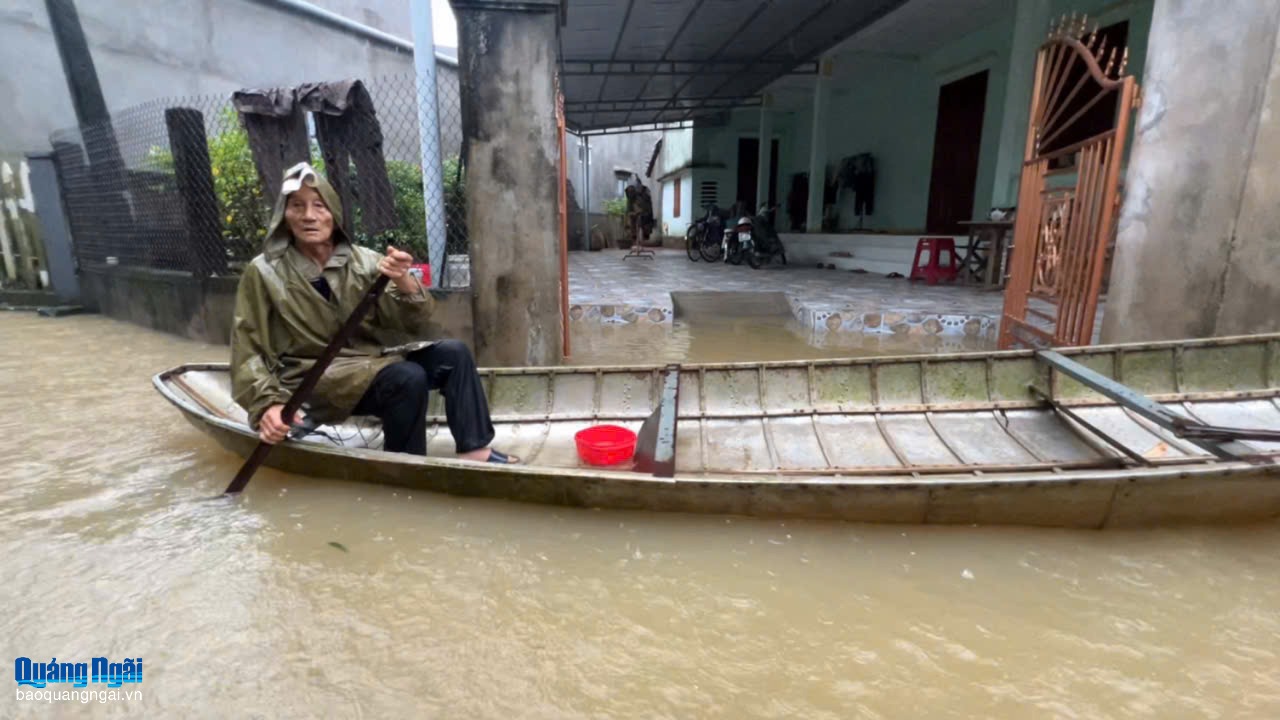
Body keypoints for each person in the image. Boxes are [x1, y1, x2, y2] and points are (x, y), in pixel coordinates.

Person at [230, 162, 519, 464]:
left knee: (454, 354)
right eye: (297, 206)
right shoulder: (263, 271)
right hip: (310, 378)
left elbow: (417, 324)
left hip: (368, 364)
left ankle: (475, 448)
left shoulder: (366, 262)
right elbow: (247, 350)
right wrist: (268, 405)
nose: (309, 216)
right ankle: (404, 466)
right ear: (284, 215)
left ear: (334, 213)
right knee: (407, 377)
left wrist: (404, 282)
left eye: (319, 205)